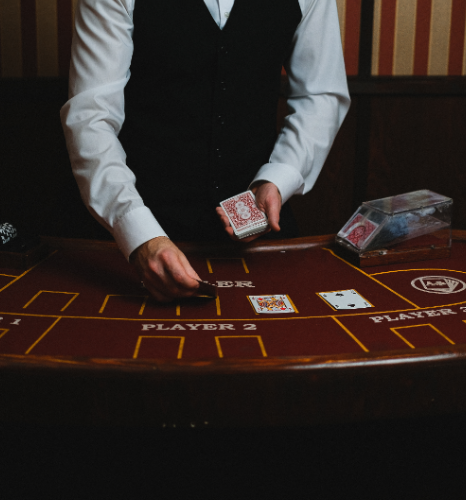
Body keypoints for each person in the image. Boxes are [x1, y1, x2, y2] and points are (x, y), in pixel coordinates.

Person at [62, 0, 350, 302]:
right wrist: (137, 232)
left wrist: (280, 177)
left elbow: (320, 95)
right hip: (128, 232)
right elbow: (91, 118)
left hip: (256, 235)